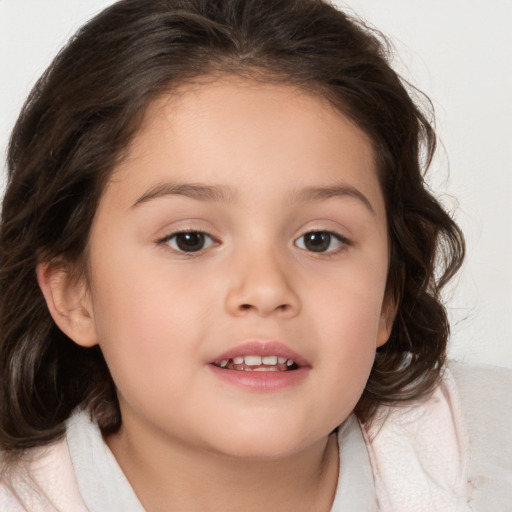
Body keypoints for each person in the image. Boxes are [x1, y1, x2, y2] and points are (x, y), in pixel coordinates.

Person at [0, 0, 510, 510]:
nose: (266, 289)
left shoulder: (488, 450)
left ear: (387, 297)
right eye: (190, 240)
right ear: (74, 295)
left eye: (319, 239)